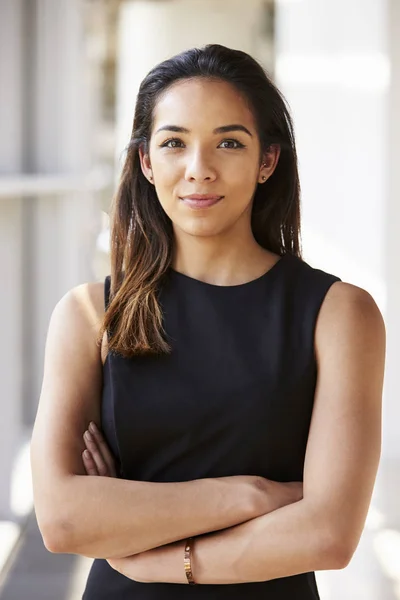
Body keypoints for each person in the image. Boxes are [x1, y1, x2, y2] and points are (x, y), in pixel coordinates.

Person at [30, 44, 386, 599]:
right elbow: (63, 520)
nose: (199, 170)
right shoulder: (89, 316)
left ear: (267, 161)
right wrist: (250, 497)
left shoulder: (340, 314)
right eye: (174, 143)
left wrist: (153, 553)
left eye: (228, 142)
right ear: (146, 162)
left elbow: (329, 532)